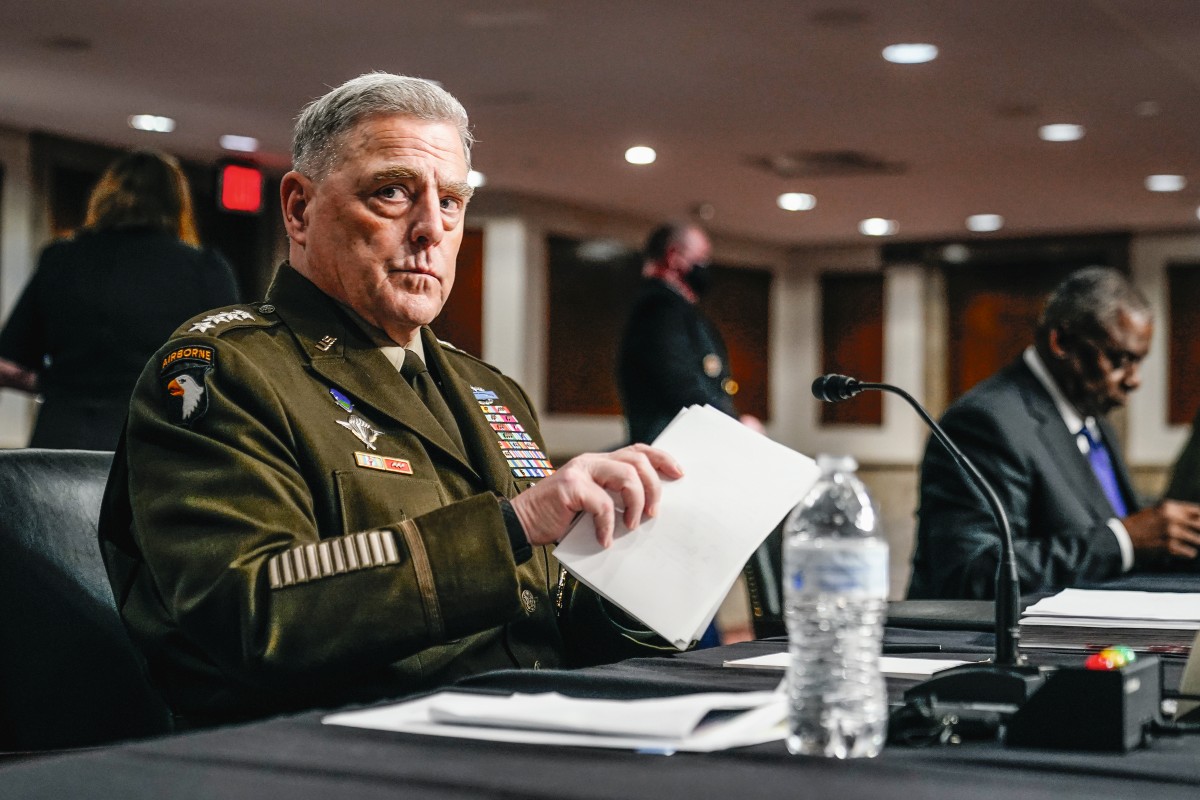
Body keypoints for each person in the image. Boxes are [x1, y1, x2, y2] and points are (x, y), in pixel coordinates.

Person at [98, 73, 684, 728]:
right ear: (299, 209)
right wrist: (512, 527)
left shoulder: (491, 390)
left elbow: (545, 621)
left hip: (529, 730)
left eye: (451, 201)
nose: (431, 228)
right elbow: (254, 614)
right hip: (336, 748)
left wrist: (651, 577)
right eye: (392, 192)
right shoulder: (226, 373)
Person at [908, 267, 1200, 600]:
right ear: (1060, 342)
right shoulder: (984, 422)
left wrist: (1171, 530)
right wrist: (1122, 541)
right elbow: (972, 573)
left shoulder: (1092, 417)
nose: (1134, 380)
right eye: (1119, 359)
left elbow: (1097, 519)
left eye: (1139, 362)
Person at [0, 150, 239, 450]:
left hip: (62, 441)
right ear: (177, 203)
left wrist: (58, 383)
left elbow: (8, 367)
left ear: (104, 196)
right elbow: (230, 372)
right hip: (151, 445)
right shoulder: (204, 269)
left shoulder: (60, 259)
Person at [616, 222, 763, 445]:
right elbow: (681, 386)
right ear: (674, 256)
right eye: (701, 257)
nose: (705, 266)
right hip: (673, 448)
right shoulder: (659, 309)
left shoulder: (675, 309)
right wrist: (736, 425)